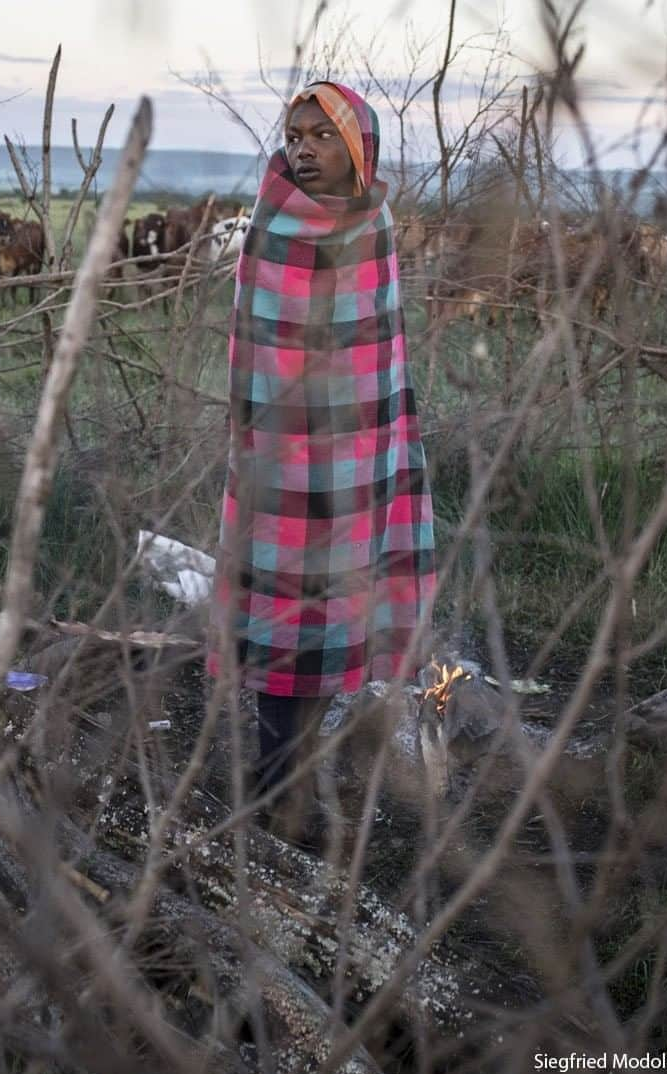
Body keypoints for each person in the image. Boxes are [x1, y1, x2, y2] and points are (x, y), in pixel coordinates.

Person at [206, 81, 436, 840]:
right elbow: (259, 353)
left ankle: (296, 789)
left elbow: (383, 358)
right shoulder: (273, 226)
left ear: (358, 148)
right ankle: (276, 806)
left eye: (321, 135)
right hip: (280, 467)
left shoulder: (375, 226)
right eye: (294, 133)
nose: (303, 148)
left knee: (333, 622)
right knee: (280, 627)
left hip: (356, 464)